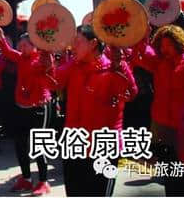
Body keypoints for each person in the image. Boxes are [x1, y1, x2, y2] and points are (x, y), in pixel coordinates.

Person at [54, 25, 138, 197]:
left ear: (93, 44)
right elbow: (53, 84)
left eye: (77, 42)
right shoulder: (73, 67)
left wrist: (120, 66)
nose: (72, 47)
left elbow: (130, 94)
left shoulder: (113, 68)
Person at [131, 24, 184, 196]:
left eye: (169, 45)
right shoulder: (159, 64)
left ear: (179, 43)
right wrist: (142, 36)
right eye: (162, 45)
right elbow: (138, 55)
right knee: (170, 174)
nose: (165, 49)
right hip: (163, 128)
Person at [0, 28, 56, 196]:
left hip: (38, 108)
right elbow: (6, 51)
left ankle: (43, 181)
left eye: (25, 45)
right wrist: (0, 38)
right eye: (20, 45)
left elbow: (51, 71)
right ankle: (26, 178)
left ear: (35, 46)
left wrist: (47, 52)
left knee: (38, 145)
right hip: (21, 107)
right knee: (20, 145)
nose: (21, 48)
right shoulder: (21, 58)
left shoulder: (42, 59)